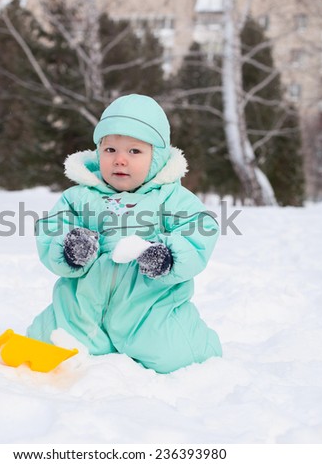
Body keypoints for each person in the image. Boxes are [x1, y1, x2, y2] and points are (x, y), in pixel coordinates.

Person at [27, 94, 222, 374]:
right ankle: (75, 338)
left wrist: (167, 256)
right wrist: (69, 247)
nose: (120, 160)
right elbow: (52, 228)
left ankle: (191, 345)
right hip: (83, 308)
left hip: (148, 309)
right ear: (98, 152)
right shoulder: (80, 196)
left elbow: (199, 229)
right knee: (49, 343)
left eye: (134, 151)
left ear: (157, 157)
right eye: (110, 151)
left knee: (177, 356)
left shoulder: (171, 198)